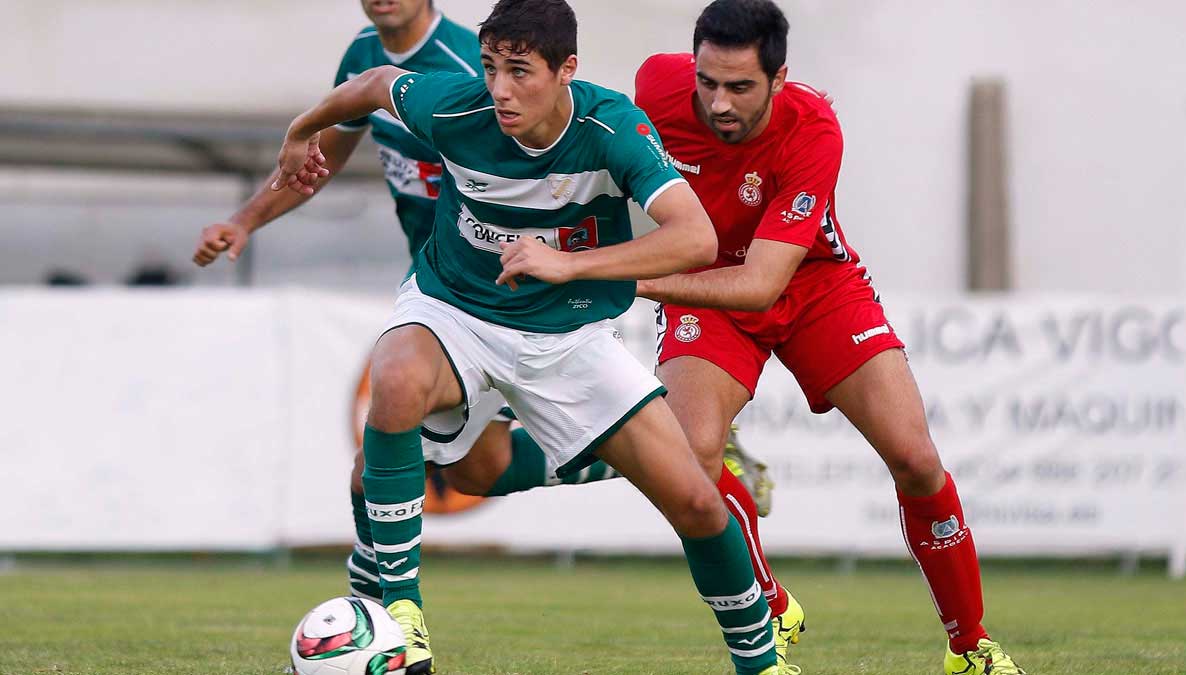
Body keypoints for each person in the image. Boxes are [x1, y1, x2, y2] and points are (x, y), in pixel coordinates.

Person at [247, 1, 787, 672]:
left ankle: (761, 663)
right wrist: (303, 129)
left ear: (567, 70)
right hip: (455, 311)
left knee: (697, 502)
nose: (500, 89)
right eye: (491, 67)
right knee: (393, 381)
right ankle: (403, 616)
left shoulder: (610, 126)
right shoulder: (454, 106)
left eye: (520, 72)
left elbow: (695, 236)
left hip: (566, 333)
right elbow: (374, 84)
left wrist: (569, 263)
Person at [190, 0, 636, 609]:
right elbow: (319, 162)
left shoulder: (472, 65)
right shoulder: (365, 57)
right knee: (468, 471)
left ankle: (379, 613)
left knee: (395, 467)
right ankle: (381, 614)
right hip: (444, 291)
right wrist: (244, 221)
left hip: (505, 292)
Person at [633, 1, 1027, 673]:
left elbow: (762, 283)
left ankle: (969, 647)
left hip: (810, 280)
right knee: (691, 454)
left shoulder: (814, 129)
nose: (719, 103)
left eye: (740, 87)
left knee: (915, 458)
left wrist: (629, 282)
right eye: (708, 83)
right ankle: (768, 602)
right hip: (705, 281)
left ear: (780, 79)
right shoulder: (652, 86)